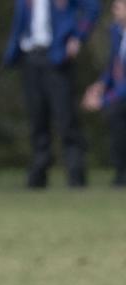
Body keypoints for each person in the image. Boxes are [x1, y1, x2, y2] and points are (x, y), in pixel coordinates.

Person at [4, 0, 100, 188]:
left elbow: (92, 7)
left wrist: (78, 37)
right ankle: (38, 174)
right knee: (37, 118)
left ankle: (76, 175)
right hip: (30, 56)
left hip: (57, 58)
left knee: (66, 119)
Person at [82, 0, 126, 186]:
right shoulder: (116, 32)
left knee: (115, 110)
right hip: (120, 94)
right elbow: (113, 65)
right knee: (115, 117)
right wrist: (99, 85)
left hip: (121, 95)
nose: (114, 10)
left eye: (118, 6)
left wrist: (104, 100)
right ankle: (121, 173)